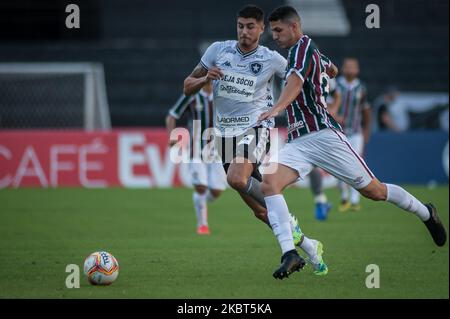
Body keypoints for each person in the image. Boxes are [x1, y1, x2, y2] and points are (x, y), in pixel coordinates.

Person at [259, 5, 447, 279]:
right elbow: (332, 69)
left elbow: (296, 83)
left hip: (324, 136)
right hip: (299, 141)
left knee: (374, 191)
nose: (274, 35)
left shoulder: (301, 48)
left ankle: (426, 213)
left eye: (278, 30)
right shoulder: (308, 51)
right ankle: (290, 253)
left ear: (294, 28)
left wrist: (277, 108)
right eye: (272, 30)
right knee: (269, 183)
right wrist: (329, 70)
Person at [183, 5, 326, 274]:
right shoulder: (217, 51)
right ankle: (307, 246)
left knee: (236, 179)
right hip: (223, 136)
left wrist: (327, 70)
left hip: (255, 129)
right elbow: (187, 84)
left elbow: (303, 75)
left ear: (262, 29)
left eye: (250, 27)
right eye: (240, 26)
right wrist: (204, 78)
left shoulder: (272, 59)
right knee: (261, 212)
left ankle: (288, 223)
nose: (244, 32)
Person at [166, 81, 227, 235]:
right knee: (200, 186)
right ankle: (203, 225)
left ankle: (199, 202)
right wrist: (172, 135)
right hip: (196, 150)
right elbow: (172, 115)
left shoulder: (223, 94)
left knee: (217, 191)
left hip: (218, 151)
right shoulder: (192, 96)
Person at [334, 57, 371, 212]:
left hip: (356, 132)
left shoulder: (361, 88)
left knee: (357, 164)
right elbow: (328, 106)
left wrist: (366, 131)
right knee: (341, 164)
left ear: (357, 70)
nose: (350, 69)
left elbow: (366, 111)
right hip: (339, 131)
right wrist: (335, 117)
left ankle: (355, 200)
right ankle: (344, 197)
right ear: (343, 68)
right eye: (347, 66)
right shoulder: (336, 86)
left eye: (353, 67)